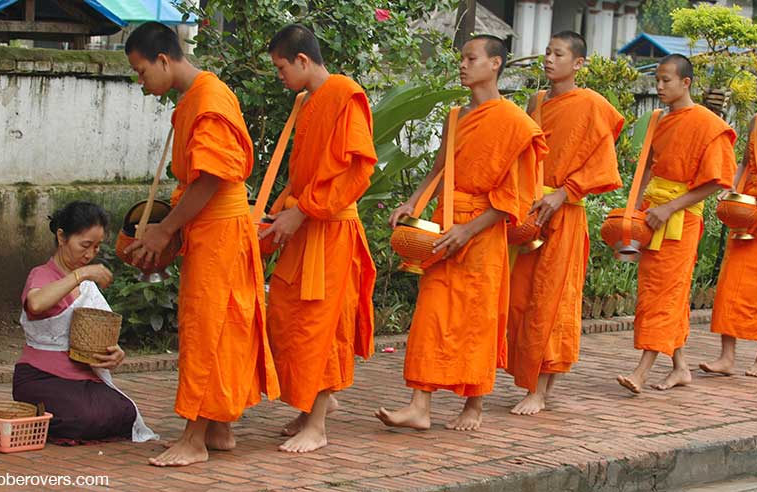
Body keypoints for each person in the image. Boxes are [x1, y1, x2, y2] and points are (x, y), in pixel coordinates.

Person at [124, 21, 279, 466]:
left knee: (208, 329)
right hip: (212, 228)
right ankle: (219, 427)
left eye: (140, 71)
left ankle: (194, 438)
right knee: (222, 324)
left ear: (163, 59)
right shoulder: (193, 99)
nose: (141, 81)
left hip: (220, 228)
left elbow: (211, 176)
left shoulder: (209, 97)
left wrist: (165, 228)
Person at [375, 35, 547, 431]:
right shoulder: (456, 116)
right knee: (431, 313)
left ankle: (474, 405)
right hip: (445, 223)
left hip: (482, 231)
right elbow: (439, 168)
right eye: (463, 59)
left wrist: (468, 231)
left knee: (477, 317)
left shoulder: (515, 123)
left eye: (472, 58)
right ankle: (420, 404)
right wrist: (412, 204)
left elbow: (510, 199)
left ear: (496, 64)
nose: (464, 65)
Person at [259, 24, 377, 453]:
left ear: (303, 60)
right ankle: (309, 409)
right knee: (289, 318)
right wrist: (280, 213)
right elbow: (302, 175)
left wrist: (304, 210)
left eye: (281, 67)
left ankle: (319, 425)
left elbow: (356, 171)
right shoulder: (306, 102)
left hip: (331, 230)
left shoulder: (345, 94)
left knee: (321, 326)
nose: (280, 76)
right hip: (306, 225)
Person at [506, 31, 624, 415]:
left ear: (578, 64)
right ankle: (527, 378)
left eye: (559, 54)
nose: (549, 59)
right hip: (530, 214)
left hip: (565, 212)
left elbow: (602, 159)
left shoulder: (590, 103)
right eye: (547, 52)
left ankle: (541, 389)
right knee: (520, 299)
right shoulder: (536, 101)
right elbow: (520, 153)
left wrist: (565, 192)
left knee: (552, 302)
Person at [617, 54, 736, 393]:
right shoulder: (658, 119)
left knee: (664, 294)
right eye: (657, 79)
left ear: (686, 83)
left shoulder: (707, 124)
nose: (659, 86)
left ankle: (642, 371)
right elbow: (649, 167)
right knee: (663, 293)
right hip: (654, 214)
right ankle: (681, 366)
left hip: (680, 219)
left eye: (666, 80)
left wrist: (670, 208)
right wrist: (634, 211)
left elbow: (717, 180)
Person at [13, 201, 157, 444]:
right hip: (40, 377)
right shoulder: (42, 275)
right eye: (85, 245)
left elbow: (101, 337)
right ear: (62, 237)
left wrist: (115, 354)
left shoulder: (86, 286)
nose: (90, 255)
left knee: (125, 412)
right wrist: (81, 274)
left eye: (97, 247)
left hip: (83, 379)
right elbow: (35, 304)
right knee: (83, 416)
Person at [701, 60, 757, 378]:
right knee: (731, 282)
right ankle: (727, 355)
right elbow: (746, 162)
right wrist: (730, 189)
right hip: (747, 209)